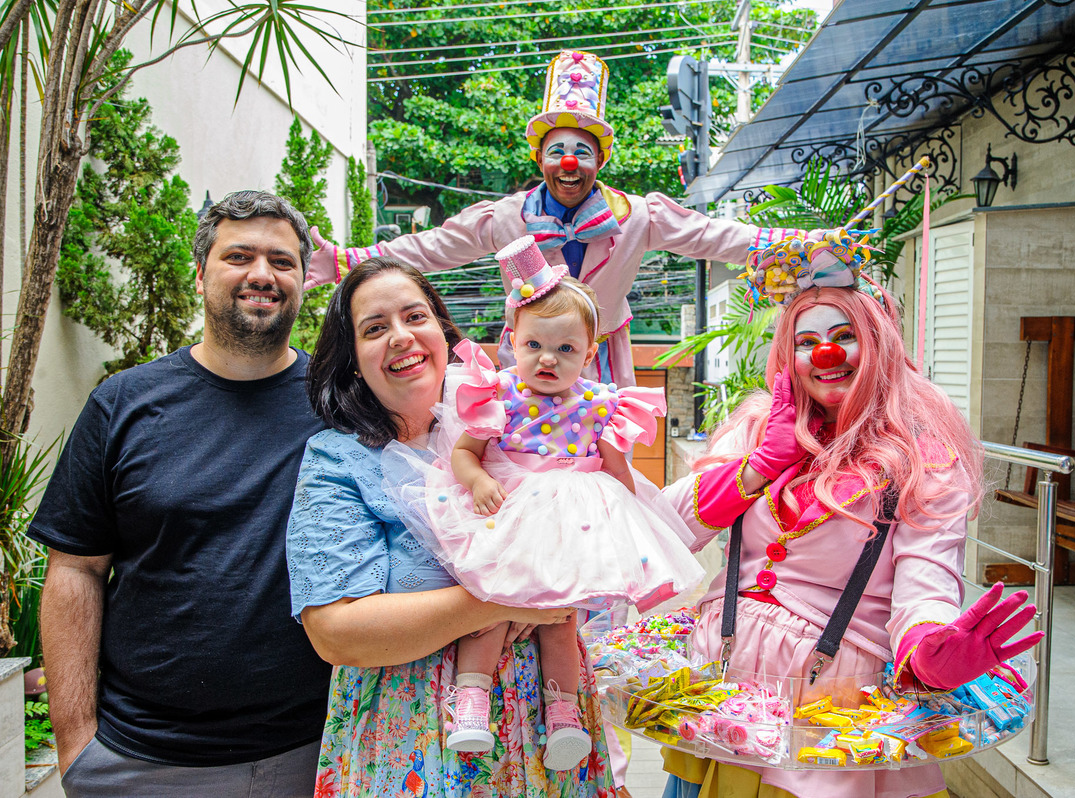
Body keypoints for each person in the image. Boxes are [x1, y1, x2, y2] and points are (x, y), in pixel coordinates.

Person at [656, 230, 1044, 798]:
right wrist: (761, 466)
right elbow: (659, 532)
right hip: (725, 702)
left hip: (829, 722)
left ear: (877, 344)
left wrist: (927, 646)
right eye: (807, 342)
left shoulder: (921, 458)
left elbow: (925, 581)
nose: (827, 354)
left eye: (844, 337)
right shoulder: (758, 432)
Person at [30, 190, 331, 797]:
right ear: (199, 274)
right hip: (140, 761)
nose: (262, 274)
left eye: (282, 261)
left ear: (303, 280)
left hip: (317, 752)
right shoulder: (124, 403)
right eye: (238, 256)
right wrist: (75, 744)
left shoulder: (340, 404)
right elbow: (76, 570)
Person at [286, 256, 617, 797]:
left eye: (415, 317)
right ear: (353, 361)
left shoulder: (517, 419)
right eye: (375, 328)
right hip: (411, 739)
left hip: (548, 730)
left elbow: (604, 516)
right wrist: (505, 601)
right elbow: (337, 633)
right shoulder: (339, 461)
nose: (401, 337)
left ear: (442, 333)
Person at [301, 49, 801, 390]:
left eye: (582, 151)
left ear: (599, 161)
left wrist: (803, 243)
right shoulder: (505, 217)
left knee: (603, 474)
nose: (569, 162)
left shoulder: (637, 216)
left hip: (601, 363)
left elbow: (716, 236)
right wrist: (345, 260)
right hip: (526, 364)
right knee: (520, 466)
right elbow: (430, 247)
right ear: (540, 158)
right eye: (557, 150)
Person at [386, 236, 703, 771]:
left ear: (590, 353)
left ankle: (563, 715)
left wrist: (629, 527)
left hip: (572, 526)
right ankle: (471, 700)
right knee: (490, 605)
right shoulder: (500, 394)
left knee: (562, 620)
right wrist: (476, 482)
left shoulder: (600, 403)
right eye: (534, 345)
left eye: (566, 349)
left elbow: (617, 472)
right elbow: (464, 453)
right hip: (511, 514)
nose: (548, 359)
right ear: (513, 341)